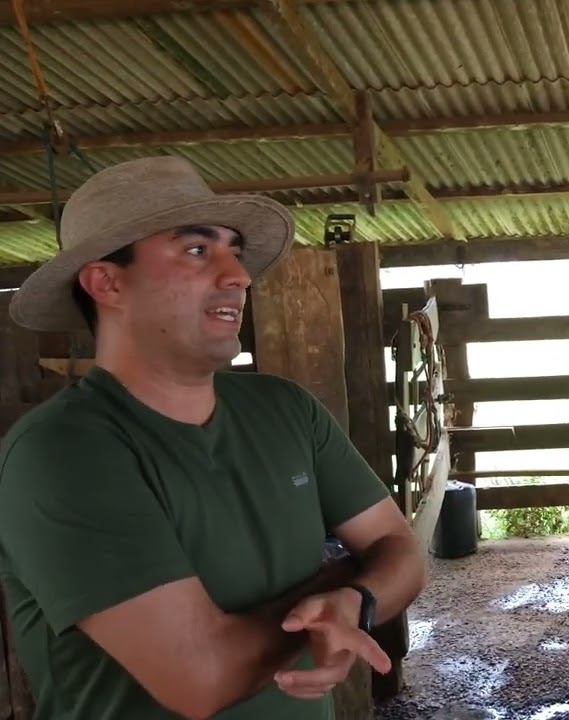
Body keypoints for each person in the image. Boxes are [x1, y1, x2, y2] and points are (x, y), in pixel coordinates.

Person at [0, 156, 427, 719]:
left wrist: (354, 598)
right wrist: (336, 585)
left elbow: (401, 550)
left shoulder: (286, 409)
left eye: (235, 251)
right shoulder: (62, 451)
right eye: (198, 250)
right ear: (107, 282)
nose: (239, 276)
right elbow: (202, 678)